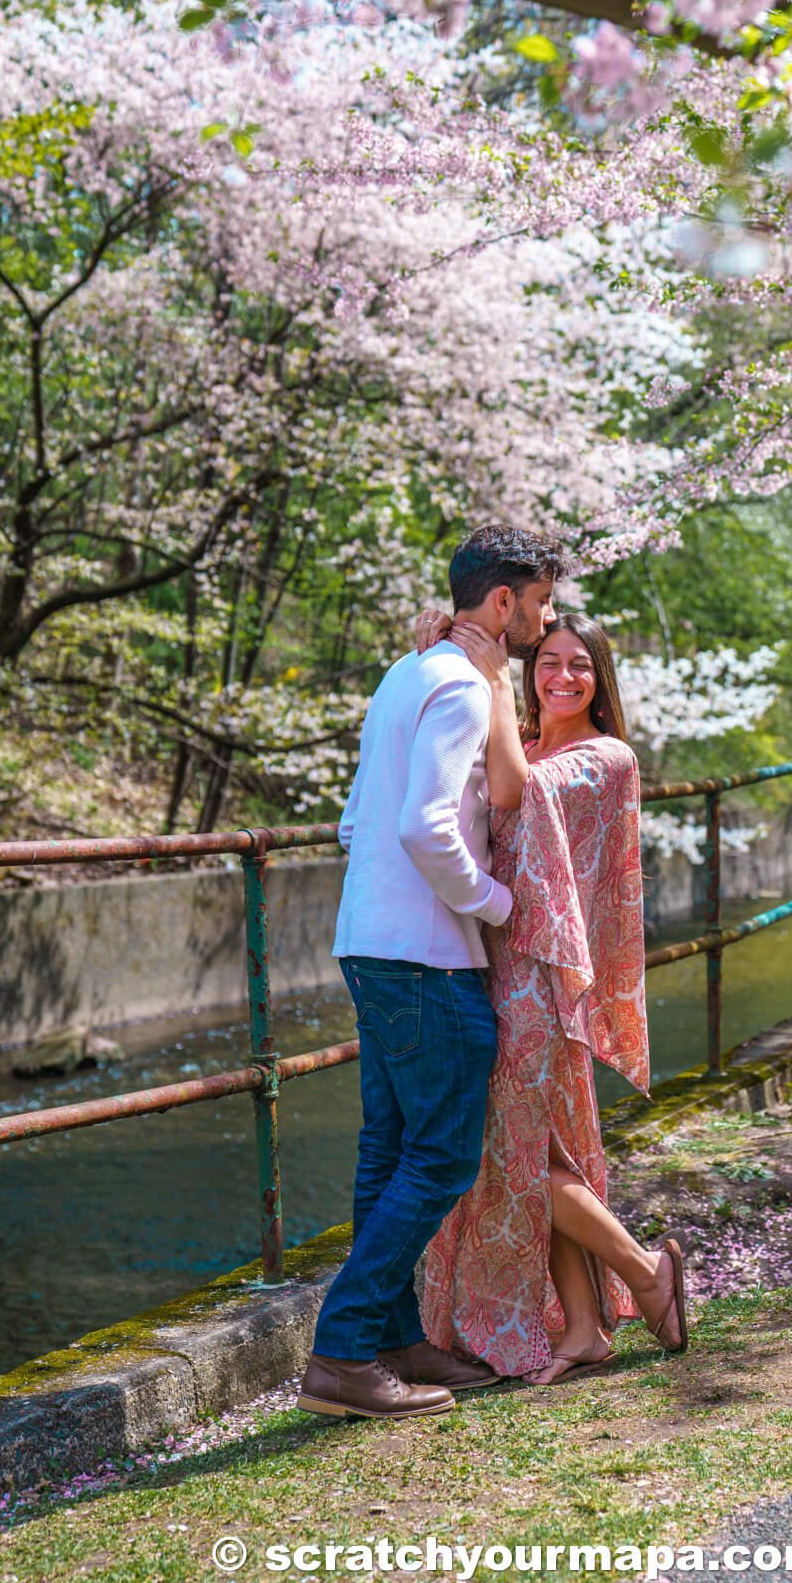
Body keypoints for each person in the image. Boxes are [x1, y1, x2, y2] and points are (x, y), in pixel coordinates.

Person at [296, 524, 566, 1421]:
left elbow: (354, 821)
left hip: (371, 942)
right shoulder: (456, 684)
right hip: (425, 956)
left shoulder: (405, 674)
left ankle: (390, 1337)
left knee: (389, 1153)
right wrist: (494, 903)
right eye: (540, 602)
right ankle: (341, 1350)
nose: (547, 618)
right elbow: (424, 825)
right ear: (503, 601)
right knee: (444, 1157)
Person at [419, 607, 688, 1386]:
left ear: (601, 681)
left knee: (514, 1153)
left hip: (538, 979)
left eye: (580, 665)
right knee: (540, 1151)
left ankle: (642, 1272)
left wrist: (493, 679)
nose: (562, 676)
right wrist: (444, 650)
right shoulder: (530, 741)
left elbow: (511, 791)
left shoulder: (607, 758)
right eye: (549, 662)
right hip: (485, 965)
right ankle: (583, 1327)